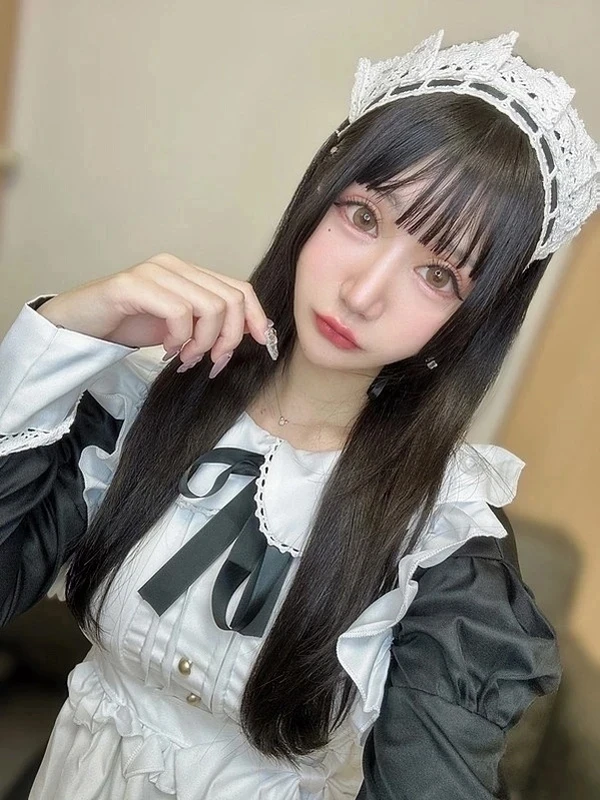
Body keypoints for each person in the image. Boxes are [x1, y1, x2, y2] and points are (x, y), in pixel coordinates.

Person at [0, 29, 596, 800]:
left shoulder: (444, 544)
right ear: (319, 197)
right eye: (364, 217)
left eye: (438, 274)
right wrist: (66, 329)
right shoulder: (146, 400)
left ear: (471, 322)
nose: (363, 293)